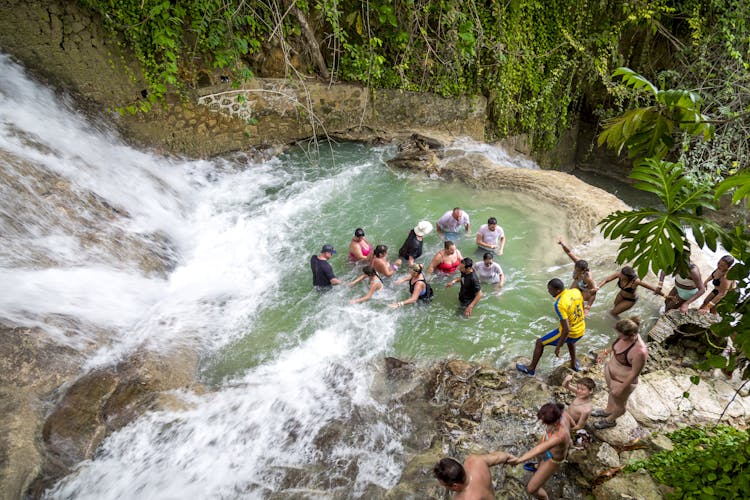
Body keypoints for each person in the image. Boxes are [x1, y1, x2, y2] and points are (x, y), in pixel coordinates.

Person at [516, 279, 585, 376]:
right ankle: (574, 364)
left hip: (571, 332)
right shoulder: (575, 291)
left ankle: (531, 369)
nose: (548, 292)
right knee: (571, 342)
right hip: (581, 329)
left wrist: (558, 346)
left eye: (550, 290)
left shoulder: (559, 304)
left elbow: (566, 329)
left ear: (557, 291)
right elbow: (582, 307)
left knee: (539, 342)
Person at [507, 403, 572, 500]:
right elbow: (573, 425)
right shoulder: (561, 413)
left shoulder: (559, 436)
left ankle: (545, 498)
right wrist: (569, 441)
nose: (542, 423)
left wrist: (519, 460)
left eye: (545, 422)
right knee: (539, 455)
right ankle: (538, 466)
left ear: (554, 422)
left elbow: (540, 449)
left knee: (531, 489)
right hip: (547, 441)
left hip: (552, 459)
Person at [593, 316, 647, 430]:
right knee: (611, 394)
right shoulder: (623, 336)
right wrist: (605, 352)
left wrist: (622, 387)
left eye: (621, 335)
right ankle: (607, 410)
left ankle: (610, 420)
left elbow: (634, 373)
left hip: (622, 381)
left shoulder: (639, 352)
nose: (619, 337)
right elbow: (616, 345)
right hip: (611, 373)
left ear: (632, 335)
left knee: (620, 404)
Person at [433, 452, 513, 500]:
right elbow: (498, 457)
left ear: (455, 486)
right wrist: (510, 457)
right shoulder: (475, 461)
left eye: (444, 485)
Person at [598, 266, 663, 317]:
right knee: (614, 309)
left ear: (627, 277)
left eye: (622, 274)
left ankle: (622, 326)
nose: (620, 274)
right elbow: (606, 280)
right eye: (621, 273)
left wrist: (664, 295)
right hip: (620, 295)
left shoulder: (635, 281)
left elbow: (650, 287)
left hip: (630, 300)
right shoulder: (619, 275)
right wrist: (597, 287)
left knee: (613, 313)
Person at [556, 237, 597, 313]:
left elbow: (593, 294)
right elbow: (569, 252)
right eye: (575, 269)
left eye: (578, 271)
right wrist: (562, 244)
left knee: (579, 302)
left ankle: (580, 314)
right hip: (578, 283)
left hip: (586, 290)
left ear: (583, 271)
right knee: (569, 296)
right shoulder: (578, 263)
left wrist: (588, 307)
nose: (576, 271)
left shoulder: (588, 278)